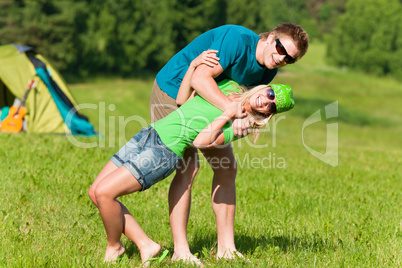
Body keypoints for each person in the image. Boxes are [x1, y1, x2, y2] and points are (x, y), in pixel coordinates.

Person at [88, 51, 295, 266]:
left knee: (104, 193)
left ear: (268, 114)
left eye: (271, 106)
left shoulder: (241, 124)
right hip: (150, 133)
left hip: (164, 151)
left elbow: (201, 142)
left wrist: (228, 114)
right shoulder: (230, 87)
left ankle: (116, 246)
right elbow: (182, 100)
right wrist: (193, 66)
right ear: (264, 88)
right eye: (271, 94)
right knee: (95, 192)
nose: (266, 101)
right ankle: (146, 245)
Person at [149, 23, 309, 263]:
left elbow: (246, 100)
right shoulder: (236, 40)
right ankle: (181, 252)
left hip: (208, 103)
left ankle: (227, 248)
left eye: (289, 59)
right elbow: (200, 79)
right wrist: (231, 111)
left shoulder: (268, 69)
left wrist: (246, 121)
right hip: (174, 91)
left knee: (226, 167)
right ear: (271, 37)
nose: (281, 59)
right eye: (280, 49)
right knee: (188, 169)